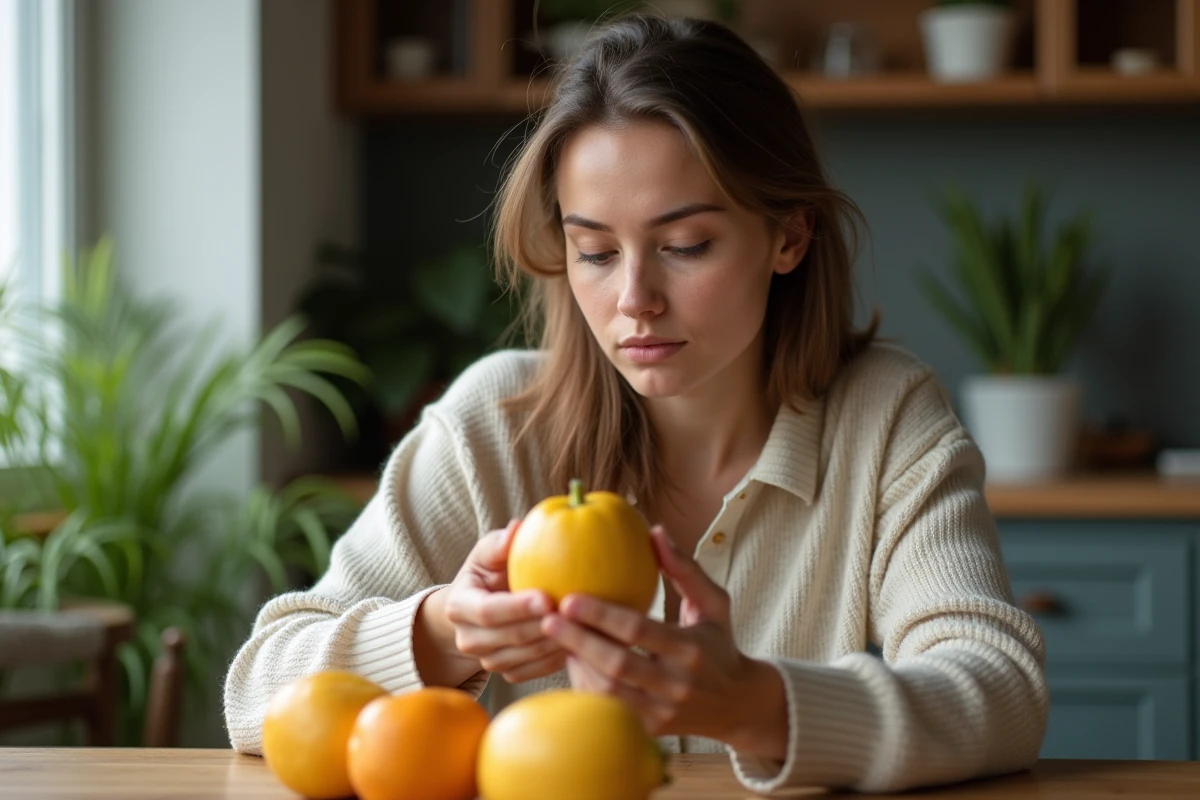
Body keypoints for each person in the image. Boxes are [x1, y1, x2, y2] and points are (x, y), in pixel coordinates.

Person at [224, 14, 1047, 793]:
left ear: (790, 236)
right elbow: (256, 691)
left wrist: (752, 705)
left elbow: (1001, 690)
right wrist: (441, 633)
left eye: (685, 246)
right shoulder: (493, 423)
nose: (634, 299)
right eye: (594, 251)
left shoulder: (885, 416)